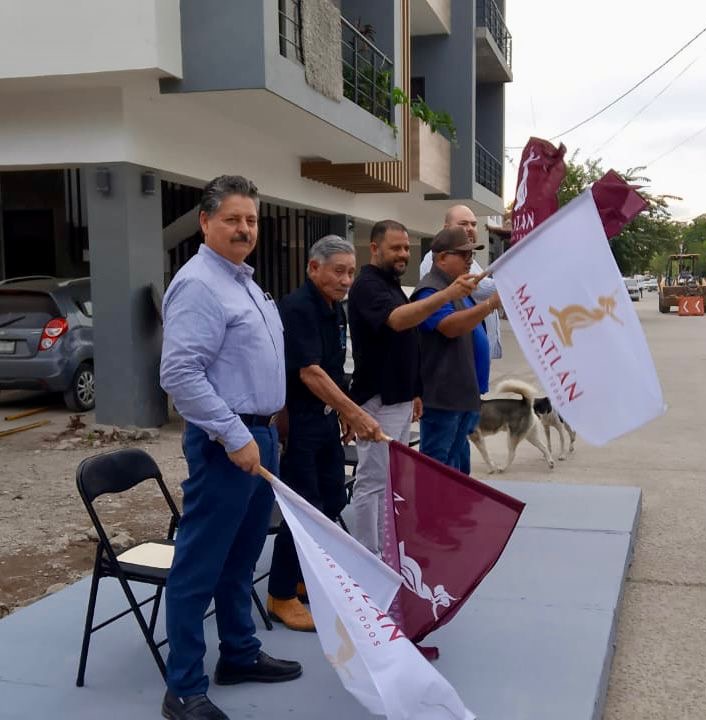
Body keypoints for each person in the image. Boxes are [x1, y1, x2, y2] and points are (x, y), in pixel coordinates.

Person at [159, 175, 300, 720]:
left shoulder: (242, 282)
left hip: (259, 435)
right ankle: (184, 688)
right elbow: (180, 374)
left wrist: (270, 426)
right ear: (205, 222)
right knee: (199, 565)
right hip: (227, 441)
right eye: (232, 219)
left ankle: (238, 653)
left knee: (241, 558)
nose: (244, 229)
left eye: (251, 220)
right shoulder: (199, 285)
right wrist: (236, 434)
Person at [265, 235, 383, 632]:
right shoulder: (298, 308)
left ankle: (303, 575)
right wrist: (355, 412)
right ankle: (281, 593)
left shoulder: (336, 309)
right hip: (299, 422)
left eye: (351, 272)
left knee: (333, 496)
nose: (346, 280)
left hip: (326, 420)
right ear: (313, 268)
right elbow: (310, 372)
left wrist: (343, 409)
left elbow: (333, 367)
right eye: (338, 271)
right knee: (305, 507)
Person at [347, 219, 477, 555]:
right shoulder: (367, 286)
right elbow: (398, 320)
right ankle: (369, 553)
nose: (403, 253)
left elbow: (410, 341)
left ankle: (384, 548)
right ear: (374, 248)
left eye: (406, 247)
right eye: (396, 248)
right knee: (374, 480)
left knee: (390, 479)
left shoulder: (391, 285)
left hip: (400, 398)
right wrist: (447, 295)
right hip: (378, 399)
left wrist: (415, 390)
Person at [412, 227, 500, 473]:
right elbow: (450, 327)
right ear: (441, 258)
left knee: (458, 469)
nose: (469, 260)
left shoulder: (457, 289)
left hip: (462, 398)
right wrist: (490, 304)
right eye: (463, 255)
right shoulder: (431, 291)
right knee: (438, 471)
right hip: (444, 400)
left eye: (471, 255)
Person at [419, 204, 502, 359]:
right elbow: (482, 290)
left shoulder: (465, 266)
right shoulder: (432, 274)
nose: (470, 229)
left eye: (473, 224)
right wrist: (500, 294)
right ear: (442, 258)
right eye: (463, 224)